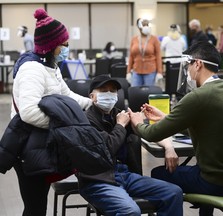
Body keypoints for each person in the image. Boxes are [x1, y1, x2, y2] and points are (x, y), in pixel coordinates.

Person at [128, 41, 223, 216]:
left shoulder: (197, 97)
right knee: (196, 168)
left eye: (189, 65)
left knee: (158, 173)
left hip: (213, 181)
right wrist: (166, 118)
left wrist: (138, 122)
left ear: (198, 64)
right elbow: (207, 126)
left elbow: (152, 134)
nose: (188, 71)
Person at [11, 8, 92, 216]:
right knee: (35, 207)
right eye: (64, 45)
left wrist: (91, 103)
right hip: (28, 148)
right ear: (51, 46)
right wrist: (63, 123)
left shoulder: (50, 66)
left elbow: (67, 95)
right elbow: (28, 112)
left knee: (38, 206)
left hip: (42, 145)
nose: (67, 48)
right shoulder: (32, 70)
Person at [78, 74, 183, 216]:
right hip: (98, 180)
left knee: (173, 193)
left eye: (113, 91)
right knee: (130, 211)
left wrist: (169, 147)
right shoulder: (85, 121)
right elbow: (108, 149)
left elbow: (150, 133)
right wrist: (121, 125)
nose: (109, 94)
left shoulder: (120, 114)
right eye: (103, 91)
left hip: (124, 175)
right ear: (92, 96)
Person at [126, 18, 163, 86]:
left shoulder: (154, 39)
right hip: (136, 71)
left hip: (150, 71)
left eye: (147, 25)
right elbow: (131, 56)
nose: (146, 27)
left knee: (148, 93)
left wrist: (159, 72)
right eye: (144, 25)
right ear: (139, 27)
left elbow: (158, 56)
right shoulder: (134, 39)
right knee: (135, 92)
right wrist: (128, 72)